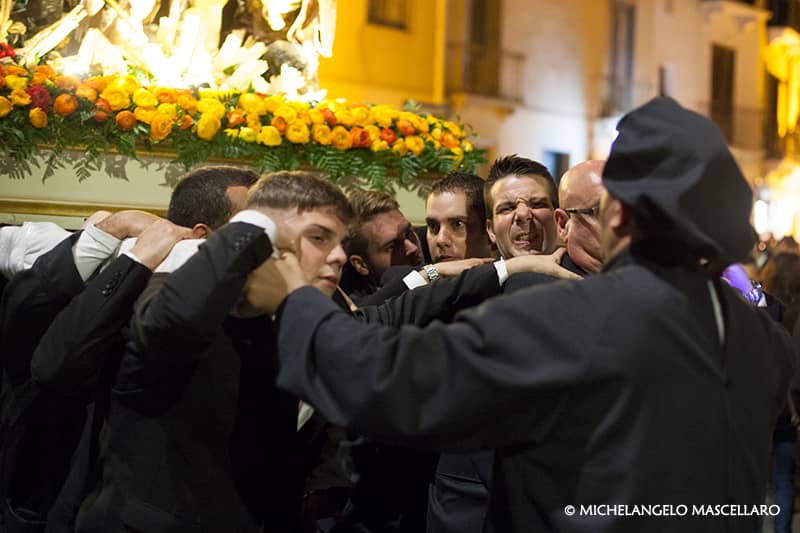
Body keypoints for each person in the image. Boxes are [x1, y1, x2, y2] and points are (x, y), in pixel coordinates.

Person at [268, 97, 796, 532]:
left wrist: (296, 297)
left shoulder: (575, 317)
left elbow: (391, 381)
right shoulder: (758, 335)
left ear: (618, 214)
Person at [74, 170, 352, 533]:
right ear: (271, 237)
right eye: (319, 237)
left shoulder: (308, 318)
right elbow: (167, 326)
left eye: (343, 241)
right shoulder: (171, 291)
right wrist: (254, 225)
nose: (342, 256)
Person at [429, 159, 607, 533]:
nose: (524, 215)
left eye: (537, 204)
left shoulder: (592, 286)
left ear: (559, 220)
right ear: (491, 230)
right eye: (508, 208)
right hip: (469, 505)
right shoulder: (459, 290)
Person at [425, 171, 494, 264]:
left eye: (457, 224)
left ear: (490, 231)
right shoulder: (419, 275)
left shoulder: (516, 276)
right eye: (433, 226)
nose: (441, 240)